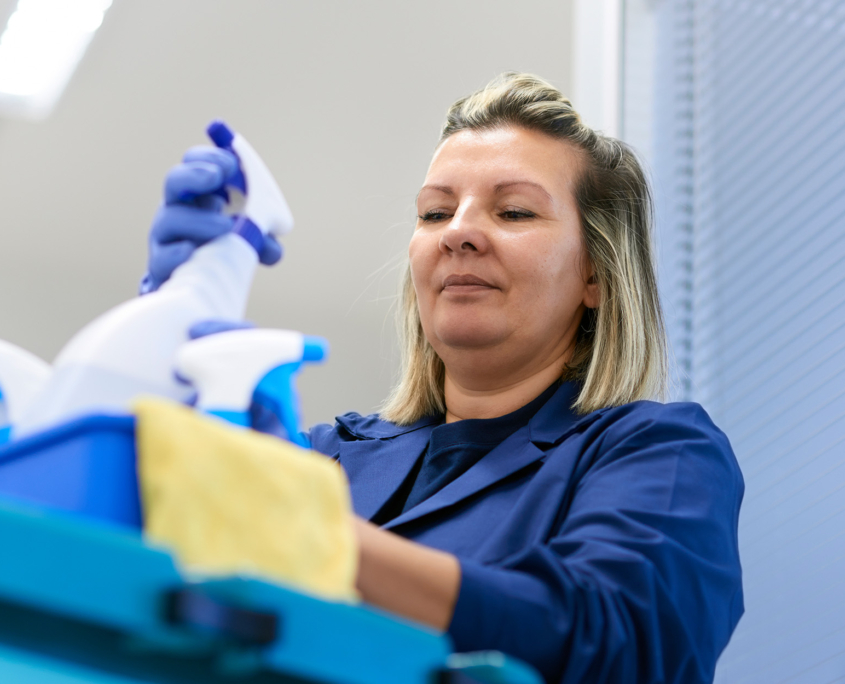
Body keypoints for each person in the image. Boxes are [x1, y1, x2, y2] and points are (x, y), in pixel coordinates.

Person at [143, 73, 744, 684]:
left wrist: (323, 541)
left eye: (513, 211)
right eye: (435, 212)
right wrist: (170, 321)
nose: (458, 231)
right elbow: (141, 549)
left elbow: (618, 640)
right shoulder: (325, 459)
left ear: (596, 273)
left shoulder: (659, 452)